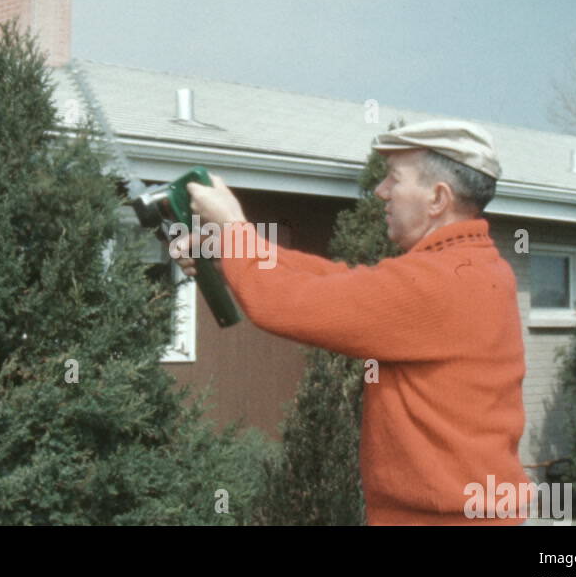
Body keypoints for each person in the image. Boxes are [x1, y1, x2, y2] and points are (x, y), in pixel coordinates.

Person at [174, 120, 534, 525]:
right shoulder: (468, 268)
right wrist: (228, 252)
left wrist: (234, 230)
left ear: (437, 198)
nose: (381, 191)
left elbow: (285, 303)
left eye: (394, 179)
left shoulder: (443, 282)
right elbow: (340, 282)